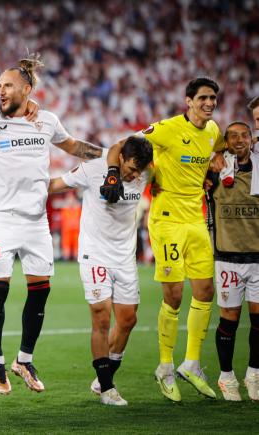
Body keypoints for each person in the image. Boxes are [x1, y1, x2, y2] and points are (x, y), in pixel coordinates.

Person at [0, 55, 102, 394]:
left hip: (36, 221)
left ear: (26, 89)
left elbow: (73, 146)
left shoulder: (47, 120)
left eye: (7, 85)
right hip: (1, 219)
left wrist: (113, 154)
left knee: (40, 292)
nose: (0, 90)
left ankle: (23, 359)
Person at [101, 77, 226, 401]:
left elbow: (219, 146)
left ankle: (192, 363)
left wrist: (215, 164)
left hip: (195, 218)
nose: (209, 104)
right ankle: (166, 367)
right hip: (167, 219)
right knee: (173, 296)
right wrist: (115, 174)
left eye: (213, 98)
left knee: (205, 291)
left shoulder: (213, 131)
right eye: (202, 98)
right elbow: (121, 146)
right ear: (188, 101)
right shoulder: (168, 129)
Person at [49, 136, 153, 406]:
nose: (133, 176)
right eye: (130, 169)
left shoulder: (146, 171)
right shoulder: (94, 168)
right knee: (101, 317)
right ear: (119, 159)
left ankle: (102, 376)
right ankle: (107, 387)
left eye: (138, 172)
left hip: (125, 257)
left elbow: (128, 141)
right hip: (94, 254)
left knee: (128, 320)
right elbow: (56, 185)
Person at [208, 120, 259, 401]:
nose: (240, 140)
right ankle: (226, 376)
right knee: (229, 320)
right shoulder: (215, 170)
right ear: (226, 142)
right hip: (227, 257)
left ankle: (254, 373)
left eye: (245, 135)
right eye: (233, 136)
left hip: (258, 257)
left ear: (252, 139)